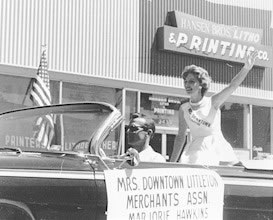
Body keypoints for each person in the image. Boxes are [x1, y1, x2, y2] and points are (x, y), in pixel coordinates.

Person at [170, 51, 258, 165]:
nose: (187, 85)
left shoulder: (213, 102)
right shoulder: (184, 108)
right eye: (185, 81)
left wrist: (246, 68)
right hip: (195, 151)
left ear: (201, 84)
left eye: (191, 81)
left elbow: (232, 86)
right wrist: (171, 163)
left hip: (216, 148)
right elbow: (180, 137)